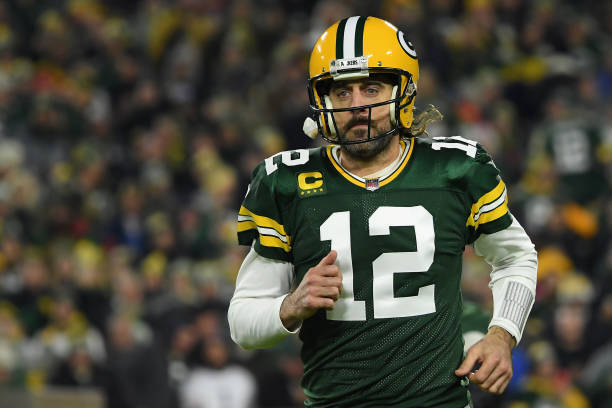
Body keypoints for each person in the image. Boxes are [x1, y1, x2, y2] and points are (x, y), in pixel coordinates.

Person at [228, 16, 538, 408]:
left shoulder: (456, 170)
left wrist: (502, 333)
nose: (357, 105)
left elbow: (516, 256)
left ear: (402, 91)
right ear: (322, 101)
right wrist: (291, 305)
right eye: (342, 93)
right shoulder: (286, 183)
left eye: (371, 88)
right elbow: (243, 322)